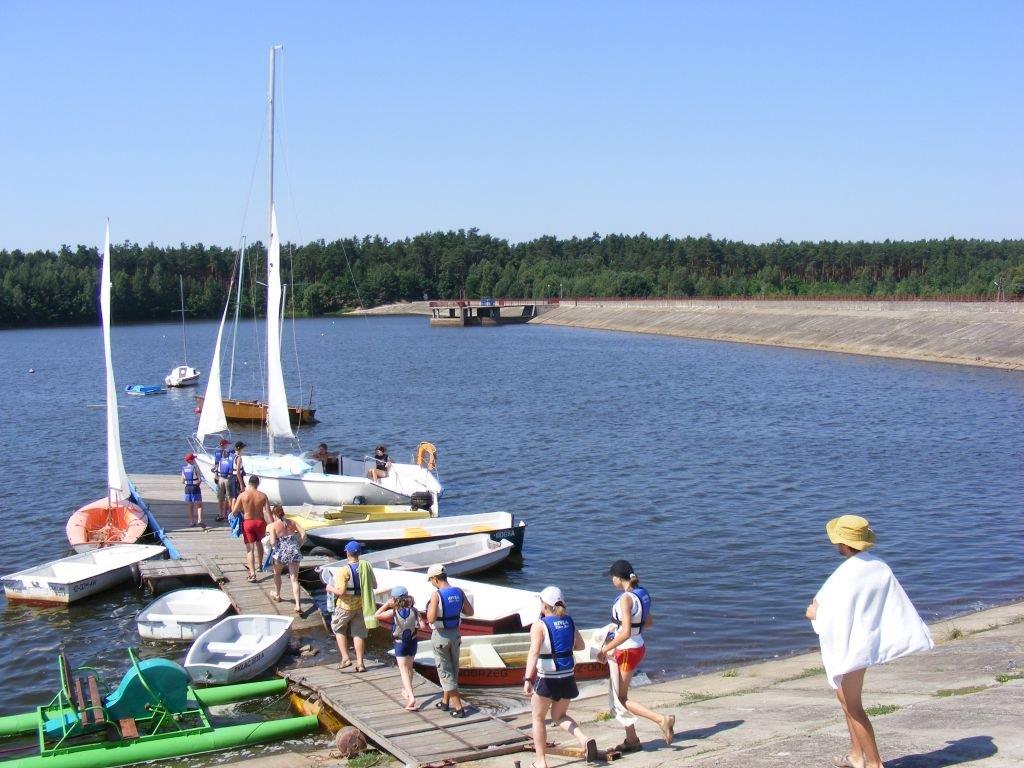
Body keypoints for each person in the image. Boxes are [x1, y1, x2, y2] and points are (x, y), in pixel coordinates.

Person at [806, 515, 933, 768]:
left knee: (853, 705)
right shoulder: (879, 567)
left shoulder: (848, 573)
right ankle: (856, 756)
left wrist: (814, 614)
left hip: (851, 644)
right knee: (844, 699)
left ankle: (874, 763)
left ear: (842, 543)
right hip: (866, 639)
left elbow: (828, 611)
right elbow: (889, 604)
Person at [597, 559, 674, 753]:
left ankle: (661, 720)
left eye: (611, 577)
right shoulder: (643, 593)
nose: (611, 581)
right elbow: (648, 622)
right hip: (639, 646)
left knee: (621, 699)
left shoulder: (625, 599)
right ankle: (632, 739)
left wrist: (605, 649)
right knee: (620, 696)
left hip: (626, 650)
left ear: (618, 578)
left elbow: (625, 633)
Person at [524, 586, 598, 767]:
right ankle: (584, 739)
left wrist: (527, 679)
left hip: (547, 678)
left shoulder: (539, 626)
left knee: (538, 718)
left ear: (544, 605)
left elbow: (533, 653)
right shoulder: (569, 621)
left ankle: (541, 761)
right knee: (560, 716)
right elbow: (579, 645)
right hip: (567, 677)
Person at [425, 564, 474, 717]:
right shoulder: (459, 592)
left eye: (431, 580)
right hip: (455, 635)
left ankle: (459, 708)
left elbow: (431, 618)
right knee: (453, 669)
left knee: (445, 671)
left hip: (440, 636)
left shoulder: (436, 595)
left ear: (435, 579)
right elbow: (470, 612)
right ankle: (445, 702)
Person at [375, 585, 427, 711]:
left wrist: (387, 604)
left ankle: (411, 697)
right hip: (413, 642)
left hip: (400, 643)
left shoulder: (393, 612)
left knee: (403, 671)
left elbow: (376, 615)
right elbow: (423, 626)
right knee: (410, 668)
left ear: (394, 599)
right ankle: (407, 690)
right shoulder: (414, 611)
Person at [326, 541, 376, 672]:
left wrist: (329, 587)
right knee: (358, 633)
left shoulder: (343, 571)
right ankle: (360, 663)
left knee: (338, 628)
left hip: (345, 606)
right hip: (361, 604)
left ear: (347, 553)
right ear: (359, 553)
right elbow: (374, 585)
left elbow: (341, 591)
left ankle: (346, 658)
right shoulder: (367, 567)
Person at [231, 475, 271, 583]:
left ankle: (252, 574)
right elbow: (268, 512)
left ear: (249, 483)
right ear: (258, 484)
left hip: (248, 523)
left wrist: (234, 502)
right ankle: (261, 565)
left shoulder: (243, 495)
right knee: (259, 544)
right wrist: (272, 525)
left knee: (250, 549)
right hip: (260, 523)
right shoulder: (263, 496)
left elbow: (234, 512)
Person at [268, 505, 306, 613]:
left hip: (281, 552)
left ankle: (278, 595)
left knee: (277, 573)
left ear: (274, 514)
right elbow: (304, 534)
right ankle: (298, 605)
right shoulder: (292, 522)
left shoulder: (274, 526)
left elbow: (272, 542)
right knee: (294, 579)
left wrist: (273, 545)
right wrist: (298, 544)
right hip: (294, 550)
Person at [213, 438, 236, 521]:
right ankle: (229, 514)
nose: (228, 445)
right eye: (227, 444)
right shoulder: (230, 454)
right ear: (225, 445)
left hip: (220, 478)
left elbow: (216, 465)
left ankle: (221, 513)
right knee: (229, 497)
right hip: (227, 479)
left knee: (220, 498)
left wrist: (215, 475)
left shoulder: (218, 455)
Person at [181, 453, 204, 527]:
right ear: (191, 460)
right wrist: (198, 484)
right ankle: (199, 520)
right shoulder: (195, 468)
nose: (194, 459)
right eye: (193, 458)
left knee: (190, 505)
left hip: (187, 488)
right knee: (199, 505)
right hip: (195, 487)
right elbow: (200, 479)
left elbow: (182, 481)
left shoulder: (184, 469)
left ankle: (191, 521)